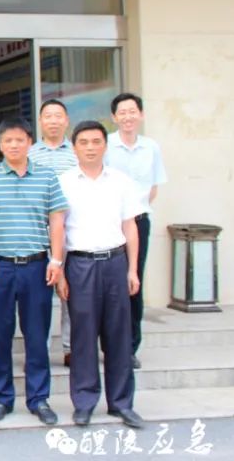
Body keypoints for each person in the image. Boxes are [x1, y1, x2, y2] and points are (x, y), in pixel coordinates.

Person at [0, 117, 67, 426]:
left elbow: (56, 220)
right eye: (8, 141)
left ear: (30, 143)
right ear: (0, 145)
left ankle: (39, 398)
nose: (14, 145)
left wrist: (56, 260)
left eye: (19, 140)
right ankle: (2, 397)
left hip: (36, 266)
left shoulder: (47, 177)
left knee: (37, 335)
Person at [58, 121, 144, 429]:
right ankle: (84, 402)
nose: (91, 147)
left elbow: (130, 226)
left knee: (118, 335)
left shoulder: (121, 181)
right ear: (74, 147)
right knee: (83, 336)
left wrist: (132, 269)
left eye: (96, 141)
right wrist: (60, 273)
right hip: (80, 264)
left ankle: (121, 403)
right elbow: (57, 230)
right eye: (84, 142)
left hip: (115, 262)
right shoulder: (64, 182)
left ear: (105, 146)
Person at [104, 92, 167, 370]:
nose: (128, 117)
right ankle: (109, 345)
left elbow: (152, 189)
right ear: (114, 117)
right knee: (109, 285)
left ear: (140, 115)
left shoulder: (151, 148)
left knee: (133, 281)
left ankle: (130, 347)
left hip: (138, 222)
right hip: (108, 223)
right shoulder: (105, 145)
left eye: (132, 111)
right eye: (122, 112)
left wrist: (133, 211)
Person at [28, 99, 78, 367]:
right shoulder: (30, 153)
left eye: (58, 116)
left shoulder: (78, 152)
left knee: (71, 292)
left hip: (75, 229)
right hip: (40, 230)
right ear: (40, 121)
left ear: (66, 120)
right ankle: (41, 349)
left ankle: (71, 347)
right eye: (48, 116)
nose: (53, 121)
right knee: (40, 295)